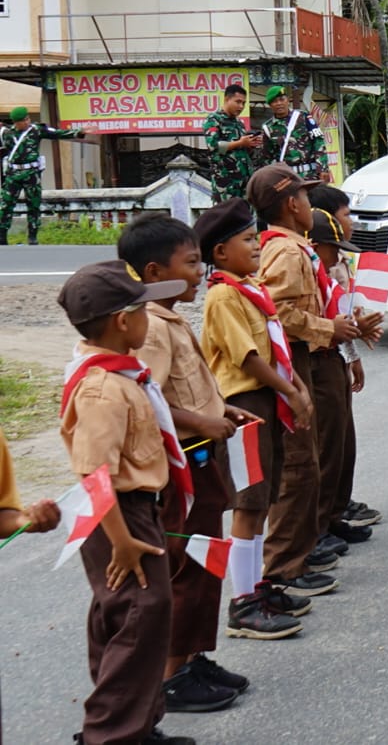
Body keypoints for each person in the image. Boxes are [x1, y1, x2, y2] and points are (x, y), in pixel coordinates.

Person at [119, 215, 266, 712]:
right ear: (155, 269)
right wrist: (201, 423)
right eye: (191, 262)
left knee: (205, 564)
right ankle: (172, 675)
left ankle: (192, 656)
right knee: (188, 567)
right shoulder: (152, 327)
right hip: (184, 462)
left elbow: (186, 387)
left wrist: (220, 408)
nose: (200, 270)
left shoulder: (170, 316)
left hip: (202, 456)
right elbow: (149, 400)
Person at [56, 260, 192, 745]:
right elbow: (94, 475)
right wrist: (123, 543)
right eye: (143, 310)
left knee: (125, 614)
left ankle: (137, 724)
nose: (149, 319)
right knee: (140, 612)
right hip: (116, 516)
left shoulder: (122, 374)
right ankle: (110, 735)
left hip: (131, 507)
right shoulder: (103, 388)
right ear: (122, 321)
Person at [195, 198, 312, 639]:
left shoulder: (251, 289)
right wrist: (293, 392)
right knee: (249, 502)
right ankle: (243, 602)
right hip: (246, 405)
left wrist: (292, 388)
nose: (257, 246)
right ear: (221, 253)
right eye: (247, 240)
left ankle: (257, 586)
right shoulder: (224, 296)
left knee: (262, 500)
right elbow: (247, 358)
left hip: (265, 401)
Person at [250, 163, 364, 598]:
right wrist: (326, 329)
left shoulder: (297, 248)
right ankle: (283, 566)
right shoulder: (287, 251)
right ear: (291, 205)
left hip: (307, 355)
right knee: (298, 466)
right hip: (295, 357)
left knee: (312, 460)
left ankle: (298, 553)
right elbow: (276, 312)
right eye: (302, 195)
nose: (307, 202)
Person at [305, 209, 381, 563]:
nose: (338, 254)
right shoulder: (299, 264)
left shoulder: (325, 268)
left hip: (333, 356)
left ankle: (332, 517)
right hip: (314, 360)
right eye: (332, 246)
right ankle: (316, 528)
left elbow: (341, 311)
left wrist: (353, 350)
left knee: (341, 447)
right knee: (322, 451)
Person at [1, 106, 86, 245]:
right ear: (16, 122)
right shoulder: (6, 133)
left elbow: (57, 133)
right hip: (13, 174)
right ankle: (2, 236)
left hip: (31, 173)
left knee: (33, 205)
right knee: (6, 205)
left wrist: (78, 133)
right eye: (24, 120)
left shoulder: (36, 130)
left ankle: (33, 236)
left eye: (28, 118)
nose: (28, 121)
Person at [204, 84, 263, 201]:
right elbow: (214, 146)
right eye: (238, 102)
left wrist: (250, 144)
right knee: (227, 216)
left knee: (247, 216)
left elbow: (242, 150)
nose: (241, 106)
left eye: (244, 103)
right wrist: (240, 143)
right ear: (227, 99)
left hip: (244, 180)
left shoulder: (239, 123)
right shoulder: (214, 119)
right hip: (226, 182)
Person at [261, 86, 330, 182]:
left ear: (288, 100)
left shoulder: (303, 117)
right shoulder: (268, 127)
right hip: (287, 178)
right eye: (274, 101)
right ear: (270, 105)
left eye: (282, 99)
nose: (279, 103)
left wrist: (323, 169)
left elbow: (319, 143)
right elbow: (267, 156)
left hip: (310, 175)